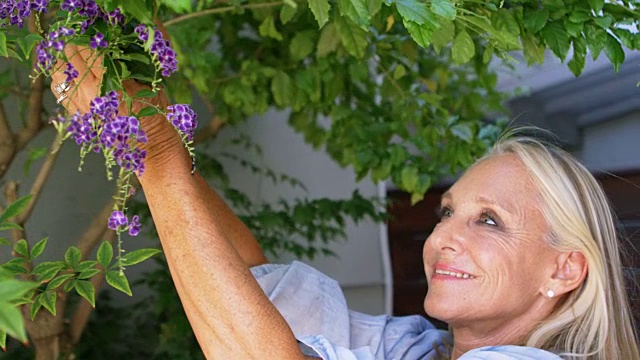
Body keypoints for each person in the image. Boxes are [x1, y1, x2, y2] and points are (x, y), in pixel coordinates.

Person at [50, 46, 640, 360]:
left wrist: (157, 156)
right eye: (446, 212)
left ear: (564, 269)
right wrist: (146, 135)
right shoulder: (413, 348)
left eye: (490, 220)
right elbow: (250, 285)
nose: (442, 239)